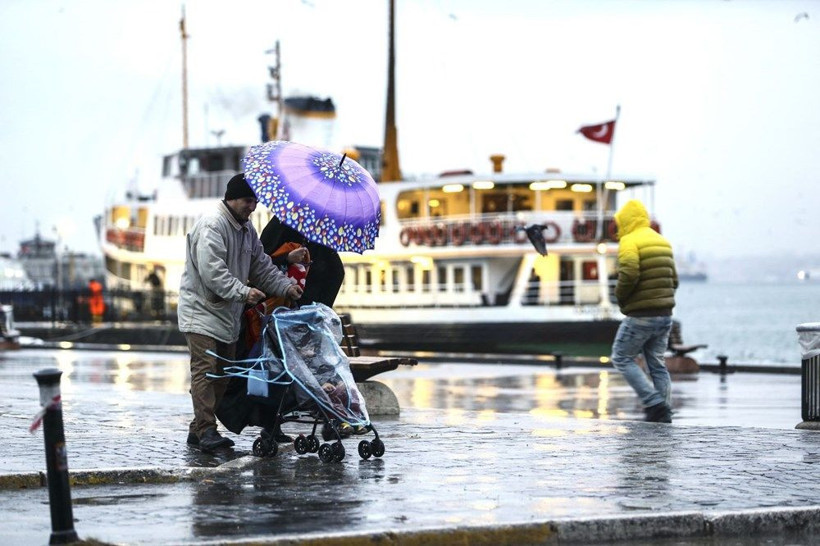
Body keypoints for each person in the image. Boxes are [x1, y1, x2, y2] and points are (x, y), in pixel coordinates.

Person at [178, 172, 303, 451]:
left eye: (255, 201)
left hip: (227, 315)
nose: (253, 207)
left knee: (223, 375)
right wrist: (244, 292)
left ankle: (197, 429)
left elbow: (261, 267)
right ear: (232, 199)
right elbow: (213, 273)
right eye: (248, 201)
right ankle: (207, 431)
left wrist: (286, 287)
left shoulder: (247, 230)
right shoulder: (212, 225)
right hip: (201, 312)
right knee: (205, 372)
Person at [610, 199, 679, 423]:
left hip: (641, 315)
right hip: (665, 315)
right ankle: (664, 412)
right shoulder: (662, 241)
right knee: (657, 365)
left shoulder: (629, 240)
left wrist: (620, 296)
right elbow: (674, 280)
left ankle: (654, 403)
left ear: (625, 221)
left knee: (621, 357)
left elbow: (629, 272)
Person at [260, 217, 344, 308]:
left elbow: (336, 273)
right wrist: (287, 258)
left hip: (304, 307)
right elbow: (259, 263)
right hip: (271, 302)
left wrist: (318, 309)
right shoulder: (284, 222)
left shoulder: (324, 239)